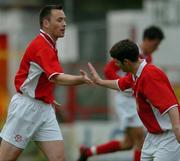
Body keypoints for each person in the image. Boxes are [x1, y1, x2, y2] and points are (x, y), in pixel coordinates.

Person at [0, 5, 93, 161]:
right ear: (46, 23)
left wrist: (47, 95)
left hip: (44, 109)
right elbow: (57, 77)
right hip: (26, 109)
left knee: (59, 158)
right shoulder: (42, 46)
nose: (64, 24)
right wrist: (81, 79)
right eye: (59, 20)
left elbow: (42, 77)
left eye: (65, 20)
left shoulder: (49, 44)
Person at [77, 26, 164, 161]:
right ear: (147, 39)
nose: (157, 48)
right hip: (126, 102)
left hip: (135, 101)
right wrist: (122, 84)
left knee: (128, 143)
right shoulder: (130, 52)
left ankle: (88, 152)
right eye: (155, 44)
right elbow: (108, 69)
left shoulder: (148, 58)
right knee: (140, 140)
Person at [87, 39, 180, 161]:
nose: (116, 66)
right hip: (153, 137)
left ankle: (87, 152)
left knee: (133, 141)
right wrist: (99, 81)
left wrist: (177, 130)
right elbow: (120, 84)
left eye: (117, 63)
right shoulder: (135, 74)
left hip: (169, 137)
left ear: (126, 62)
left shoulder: (150, 75)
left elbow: (171, 106)